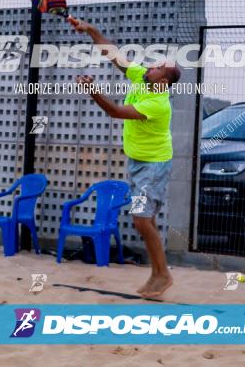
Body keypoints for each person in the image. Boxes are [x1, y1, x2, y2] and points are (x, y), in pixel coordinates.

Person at [68, 16, 181, 297]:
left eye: (156, 67)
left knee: (141, 220)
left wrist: (93, 91)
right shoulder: (142, 78)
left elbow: (116, 113)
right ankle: (158, 275)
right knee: (147, 221)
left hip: (154, 165)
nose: (150, 67)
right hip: (139, 162)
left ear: (163, 81)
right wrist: (92, 30)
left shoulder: (158, 104)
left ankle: (163, 274)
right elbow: (114, 54)